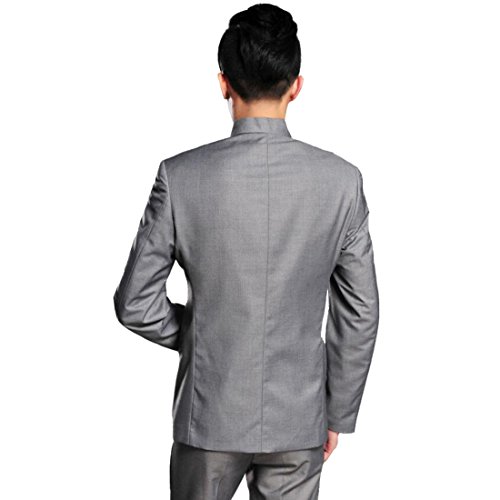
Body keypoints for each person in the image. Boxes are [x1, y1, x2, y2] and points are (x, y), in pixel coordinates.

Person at [113, 3, 380, 499]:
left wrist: (201, 337)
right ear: (296, 86)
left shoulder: (180, 176)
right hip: (299, 417)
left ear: (223, 84)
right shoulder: (342, 182)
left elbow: (135, 304)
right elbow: (360, 312)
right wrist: (338, 411)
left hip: (208, 413)